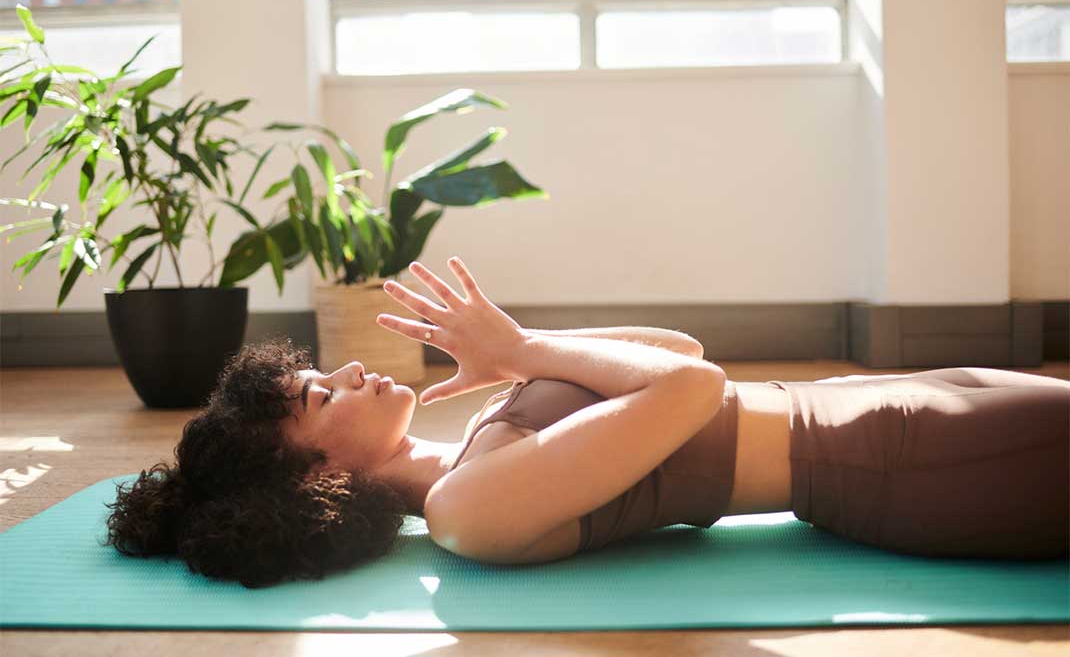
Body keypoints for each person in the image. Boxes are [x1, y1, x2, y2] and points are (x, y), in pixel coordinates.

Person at [104, 256, 1070, 588]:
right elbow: (697, 393)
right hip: (890, 463)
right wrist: (525, 356)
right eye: (323, 396)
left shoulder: (479, 441)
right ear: (315, 480)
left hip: (887, 402)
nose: (348, 369)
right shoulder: (467, 514)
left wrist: (519, 351)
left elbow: (675, 348)